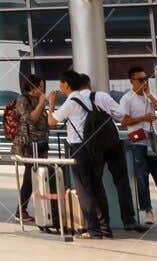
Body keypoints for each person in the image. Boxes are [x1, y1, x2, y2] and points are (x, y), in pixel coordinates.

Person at [49, 71, 143, 238]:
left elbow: (52, 122)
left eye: (61, 84)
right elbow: (121, 116)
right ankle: (112, 225)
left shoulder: (72, 101)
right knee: (101, 187)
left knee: (85, 189)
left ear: (67, 85)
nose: (60, 87)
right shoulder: (96, 98)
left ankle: (94, 228)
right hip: (99, 145)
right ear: (88, 83)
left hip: (80, 148)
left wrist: (51, 104)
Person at [119, 65, 157, 226]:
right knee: (142, 177)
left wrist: (150, 96)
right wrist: (143, 118)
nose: (144, 82)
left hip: (153, 140)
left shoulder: (150, 96)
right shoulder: (127, 99)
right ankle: (148, 210)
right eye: (141, 80)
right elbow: (123, 121)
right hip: (138, 141)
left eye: (146, 79)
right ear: (132, 82)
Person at [9, 73, 51, 223]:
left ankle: (32, 209)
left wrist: (50, 104)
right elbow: (30, 119)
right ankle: (21, 210)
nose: (43, 88)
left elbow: (48, 122)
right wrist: (41, 103)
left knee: (37, 177)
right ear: (32, 86)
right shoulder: (23, 100)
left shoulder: (37, 100)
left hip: (41, 144)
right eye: (40, 85)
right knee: (30, 177)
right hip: (28, 145)